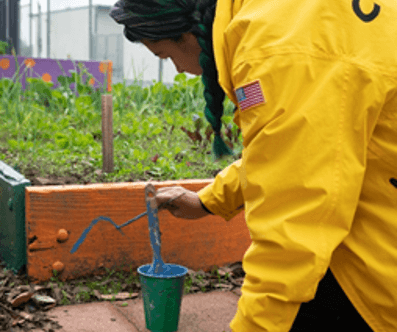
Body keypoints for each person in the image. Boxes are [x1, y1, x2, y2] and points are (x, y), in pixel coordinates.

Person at [110, 0, 397, 331]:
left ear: (190, 33)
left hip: (376, 271)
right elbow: (298, 153)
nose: (177, 69)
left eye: (165, 55)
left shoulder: (280, 49)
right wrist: (208, 200)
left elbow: (296, 217)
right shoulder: (290, 18)